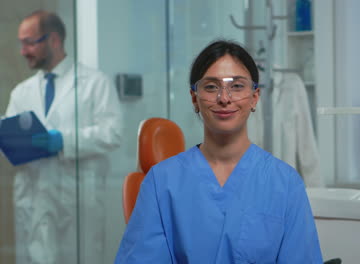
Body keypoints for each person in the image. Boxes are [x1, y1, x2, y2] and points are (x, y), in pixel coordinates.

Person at [115, 40, 323, 263]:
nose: (224, 98)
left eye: (237, 86)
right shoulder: (162, 182)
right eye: (212, 87)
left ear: (254, 97)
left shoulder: (285, 183)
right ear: (195, 98)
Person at [5, 10, 122, 264]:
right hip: (34, 197)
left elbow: (112, 133)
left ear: (54, 40)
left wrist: (64, 141)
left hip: (78, 198)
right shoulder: (21, 92)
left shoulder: (94, 82)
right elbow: (9, 142)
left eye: (29, 42)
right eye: (21, 43)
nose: (23, 50)